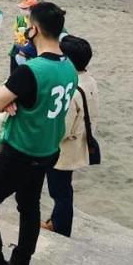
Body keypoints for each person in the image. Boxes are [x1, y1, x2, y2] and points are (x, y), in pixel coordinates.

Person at [0, 2, 77, 265]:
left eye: (28, 24)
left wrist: (6, 101)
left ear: (34, 30)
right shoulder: (70, 67)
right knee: (29, 207)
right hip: (47, 150)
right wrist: (13, 100)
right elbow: (28, 99)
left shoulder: (32, 69)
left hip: (22, 150)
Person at [42, 35, 99, 238]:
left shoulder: (72, 90)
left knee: (60, 192)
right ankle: (56, 221)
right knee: (64, 188)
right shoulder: (89, 80)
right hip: (79, 143)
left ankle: (60, 228)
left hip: (63, 150)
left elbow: (63, 129)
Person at [9, 0, 38, 76]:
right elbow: (15, 31)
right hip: (18, 48)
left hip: (30, 52)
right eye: (21, 8)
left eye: (25, 8)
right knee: (14, 74)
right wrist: (17, 36)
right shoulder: (20, 19)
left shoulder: (37, 21)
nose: (22, 10)